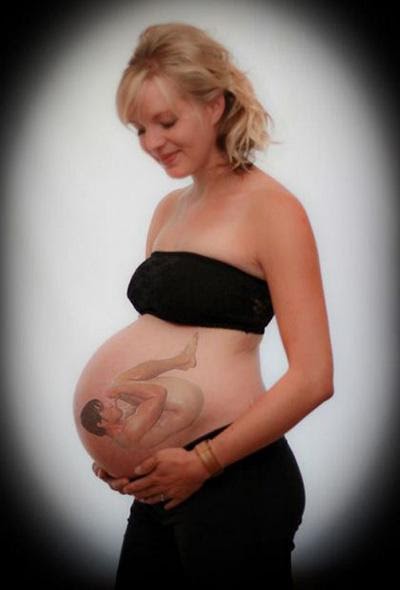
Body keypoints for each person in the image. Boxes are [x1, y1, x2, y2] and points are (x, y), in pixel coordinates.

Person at [92, 21, 334, 587]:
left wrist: (204, 462)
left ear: (215, 105)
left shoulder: (273, 210)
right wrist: (123, 448)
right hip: (163, 483)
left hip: (235, 483)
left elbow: (314, 378)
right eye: (140, 129)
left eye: (166, 121)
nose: (152, 142)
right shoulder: (168, 211)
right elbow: (166, 349)